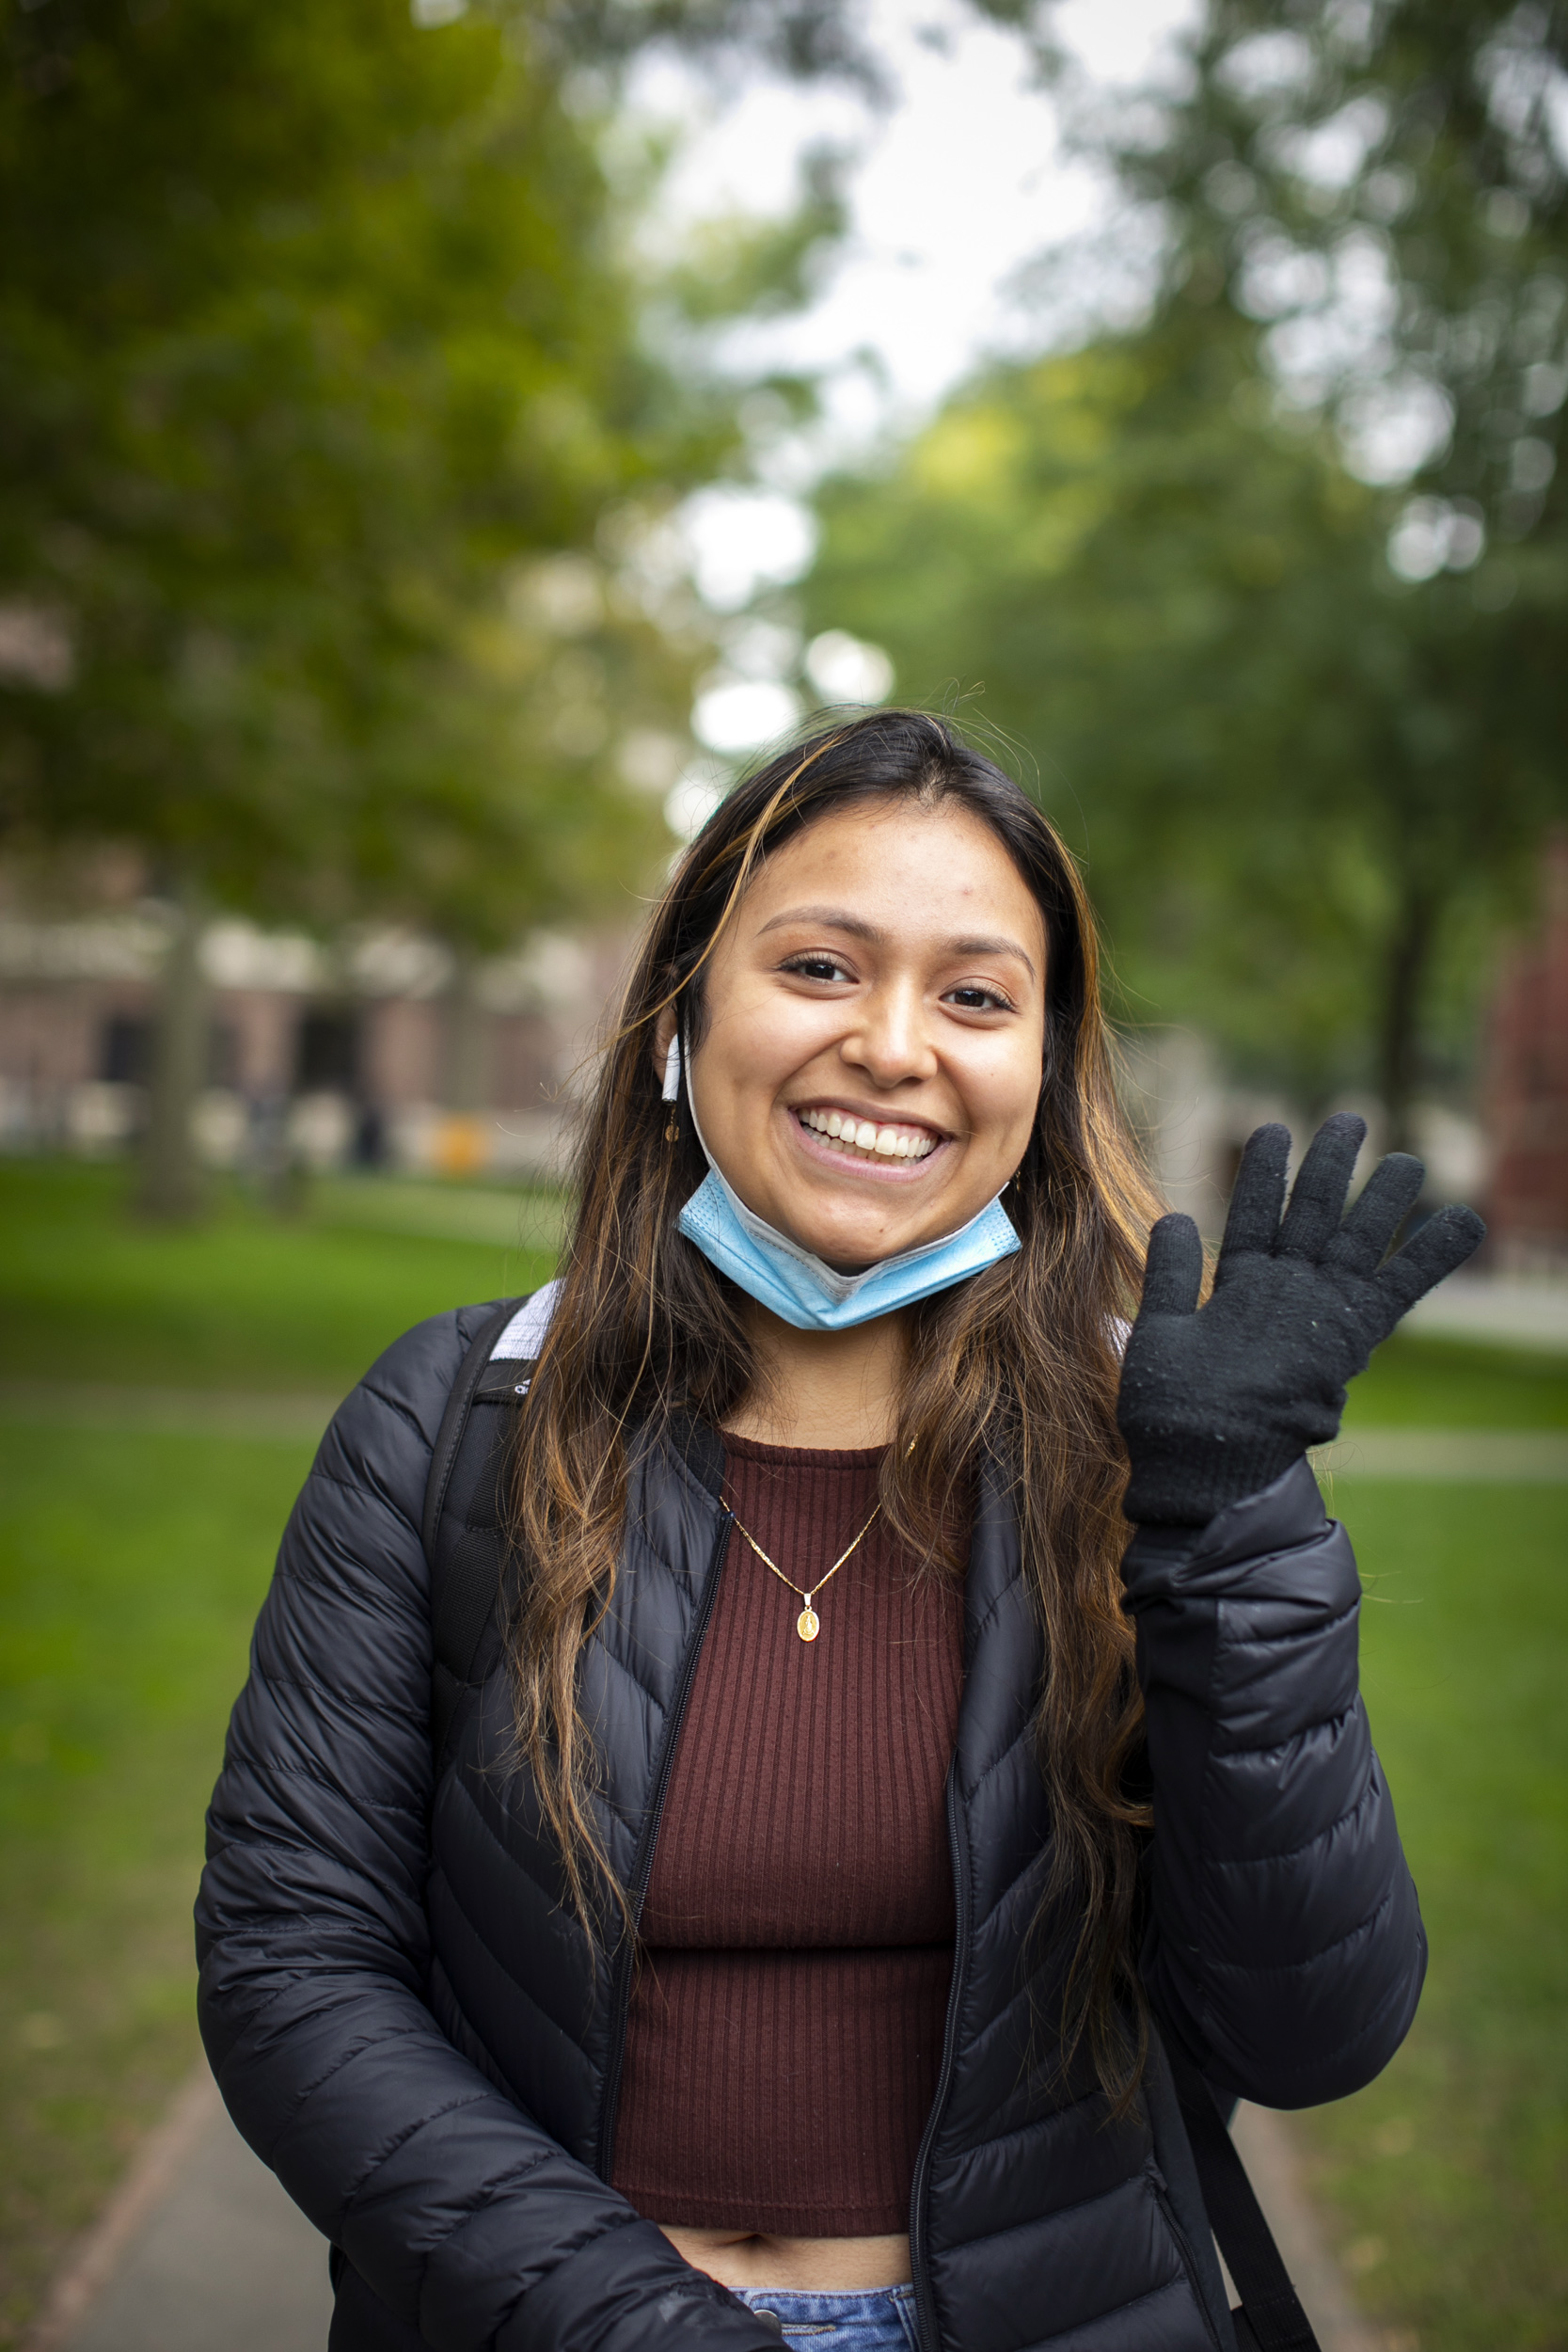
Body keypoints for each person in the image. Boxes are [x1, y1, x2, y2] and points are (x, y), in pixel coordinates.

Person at [197, 711, 1482, 2352]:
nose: (894, 1045)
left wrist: (1228, 1520)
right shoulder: (453, 1420)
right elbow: (292, 1971)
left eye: (975, 996)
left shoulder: (1146, 1454)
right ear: (679, 1015)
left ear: (1042, 1068)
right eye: (818, 966)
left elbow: (1313, 2030)